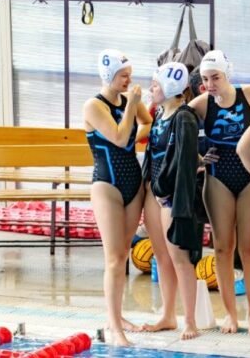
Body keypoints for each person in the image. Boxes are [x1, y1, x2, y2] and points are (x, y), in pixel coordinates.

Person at [188, 50, 250, 334]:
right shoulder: (200, 104)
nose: (210, 84)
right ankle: (230, 315)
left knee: (249, 249)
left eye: (216, 77)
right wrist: (198, 160)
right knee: (223, 247)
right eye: (206, 79)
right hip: (218, 178)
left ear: (227, 75)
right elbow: (176, 133)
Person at [83, 49, 152, 346]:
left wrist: (136, 111)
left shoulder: (128, 102)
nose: (129, 80)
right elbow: (120, 137)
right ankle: (114, 326)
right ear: (108, 76)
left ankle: (118, 315)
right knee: (113, 259)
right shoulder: (93, 106)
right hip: (106, 185)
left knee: (124, 254)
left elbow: (147, 123)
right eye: (124, 75)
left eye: (130, 75)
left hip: (132, 183)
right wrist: (133, 105)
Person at [141, 61, 203, 340]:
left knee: (180, 258)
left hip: (170, 195)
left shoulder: (184, 117)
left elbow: (185, 160)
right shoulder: (161, 114)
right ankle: (168, 315)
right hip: (154, 192)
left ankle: (190, 320)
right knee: (161, 256)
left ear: (169, 88)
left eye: (155, 85)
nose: (151, 89)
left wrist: (173, 197)